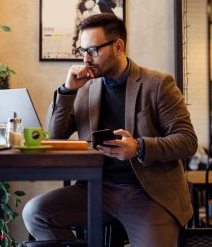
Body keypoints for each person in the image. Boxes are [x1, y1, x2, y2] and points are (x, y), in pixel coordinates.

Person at [23, 13, 198, 247]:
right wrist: (67, 91)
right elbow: (54, 135)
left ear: (118, 46)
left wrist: (139, 147)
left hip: (148, 194)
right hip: (97, 188)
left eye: (93, 50)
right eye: (81, 50)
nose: (86, 59)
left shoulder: (158, 84)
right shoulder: (84, 88)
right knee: (35, 213)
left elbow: (187, 141)